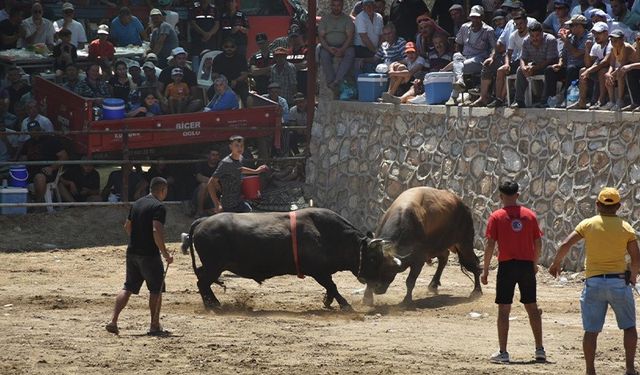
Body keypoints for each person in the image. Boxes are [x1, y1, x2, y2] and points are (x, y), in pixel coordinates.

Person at [549, 187, 639, 375]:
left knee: (591, 330)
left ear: (597, 205)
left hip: (594, 283)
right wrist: (633, 276)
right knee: (629, 327)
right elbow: (636, 257)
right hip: (618, 283)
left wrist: (556, 264)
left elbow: (566, 244)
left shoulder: (588, 224)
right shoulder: (626, 228)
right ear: (619, 206)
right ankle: (630, 369)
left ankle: (590, 370)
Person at [481, 180, 545, 364]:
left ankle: (503, 352)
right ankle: (540, 349)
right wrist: (534, 263)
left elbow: (490, 244)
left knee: (504, 309)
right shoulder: (530, 215)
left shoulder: (496, 216)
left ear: (501, 196)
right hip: (526, 265)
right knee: (532, 307)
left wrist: (485, 270)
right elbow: (538, 242)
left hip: (507, 266)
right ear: (517, 195)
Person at [106, 177, 173, 336]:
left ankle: (113, 321)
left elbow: (127, 226)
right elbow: (156, 230)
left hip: (133, 252)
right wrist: (165, 253)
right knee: (155, 289)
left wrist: (137, 239)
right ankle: (154, 325)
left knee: (128, 287)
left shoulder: (137, 203)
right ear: (162, 190)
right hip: (149, 255)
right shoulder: (159, 207)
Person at [541, 14, 592, 107]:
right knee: (550, 70)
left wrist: (566, 41)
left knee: (571, 69)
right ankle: (549, 99)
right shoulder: (571, 37)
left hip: (581, 67)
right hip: (568, 66)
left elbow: (576, 53)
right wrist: (560, 64)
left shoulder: (588, 37)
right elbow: (563, 54)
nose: (570, 28)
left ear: (579, 26)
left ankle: (566, 98)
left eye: (572, 26)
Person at [207, 135, 268, 213]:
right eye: (236, 146)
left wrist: (256, 171)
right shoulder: (226, 163)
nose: (239, 148)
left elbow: (239, 169)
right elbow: (210, 183)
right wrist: (217, 204)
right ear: (230, 147)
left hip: (239, 201)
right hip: (229, 205)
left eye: (241, 146)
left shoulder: (240, 158)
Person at [18, 121, 68, 204]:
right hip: (30, 171)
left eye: (36, 130)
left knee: (40, 177)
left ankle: (39, 204)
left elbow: (64, 156)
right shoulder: (27, 143)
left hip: (47, 171)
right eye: (32, 131)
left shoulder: (51, 140)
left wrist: (52, 168)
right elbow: (23, 158)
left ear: (41, 129)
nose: (35, 132)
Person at [512, 21, 559, 108]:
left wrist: (534, 68)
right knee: (520, 70)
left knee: (549, 70)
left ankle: (543, 101)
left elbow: (550, 60)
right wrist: (524, 68)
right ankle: (519, 100)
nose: (535, 38)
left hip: (550, 66)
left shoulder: (550, 40)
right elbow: (523, 58)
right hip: (536, 65)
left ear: (542, 33)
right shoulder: (526, 41)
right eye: (532, 36)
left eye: (537, 35)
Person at [568, 21, 612, 109]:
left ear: (606, 33)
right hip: (599, 70)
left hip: (612, 71)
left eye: (598, 33)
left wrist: (589, 70)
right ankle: (582, 101)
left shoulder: (611, 44)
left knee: (602, 71)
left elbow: (605, 62)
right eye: (594, 34)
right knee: (582, 70)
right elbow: (588, 64)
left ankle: (601, 100)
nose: (596, 36)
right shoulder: (596, 45)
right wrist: (587, 49)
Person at [318, 0, 355, 96]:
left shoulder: (347, 19)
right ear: (331, 6)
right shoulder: (325, 19)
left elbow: (350, 36)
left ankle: (337, 80)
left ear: (342, 6)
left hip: (344, 46)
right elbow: (321, 37)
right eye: (334, 5)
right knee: (323, 54)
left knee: (351, 53)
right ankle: (331, 82)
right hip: (328, 46)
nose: (336, 7)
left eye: (338, 5)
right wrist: (329, 48)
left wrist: (342, 49)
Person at [454, 5, 496, 76]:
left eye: (477, 18)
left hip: (479, 58)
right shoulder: (464, 27)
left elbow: (494, 47)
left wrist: (491, 57)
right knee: (456, 56)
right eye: (473, 17)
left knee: (457, 67)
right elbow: (458, 43)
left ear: (482, 17)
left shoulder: (488, 30)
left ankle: (457, 76)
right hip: (464, 57)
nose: (475, 20)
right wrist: (459, 54)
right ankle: (459, 80)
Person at [604, 29, 637, 110]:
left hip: (633, 68)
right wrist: (609, 73)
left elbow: (623, 64)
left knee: (620, 74)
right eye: (612, 41)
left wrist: (612, 74)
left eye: (616, 40)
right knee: (607, 77)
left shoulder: (626, 47)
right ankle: (612, 101)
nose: (613, 42)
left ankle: (620, 101)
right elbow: (612, 64)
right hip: (625, 68)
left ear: (623, 39)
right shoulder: (612, 49)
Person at [211, 38, 249, 105]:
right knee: (210, 91)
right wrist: (222, 83)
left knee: (245, 92)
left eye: (232, 47)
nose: (229, 49)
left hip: (238, 82)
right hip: (222, 83)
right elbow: (214, 75)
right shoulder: (218, 58)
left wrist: (236, 81)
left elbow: (244, 74)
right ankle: (215, 110)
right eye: (226, 47)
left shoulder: (241, 58)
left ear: (236, 47)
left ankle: (246, 111)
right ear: (222, 47)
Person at [194, 148, 220, 217]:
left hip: (215, 194)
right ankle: (200, 211)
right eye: (213, 155)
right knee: (204, 185)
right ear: (208, 156)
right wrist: (212, 182)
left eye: (217, 155)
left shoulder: (221, 166)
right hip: (201, 194)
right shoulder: (201, 164)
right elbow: (199, 177)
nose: (215, 157)